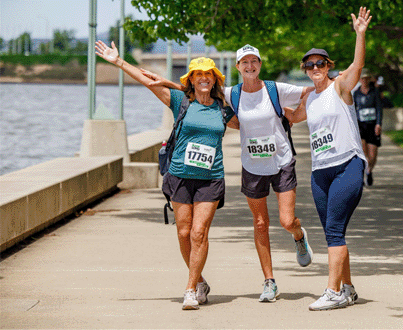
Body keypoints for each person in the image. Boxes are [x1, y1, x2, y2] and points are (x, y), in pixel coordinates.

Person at [143, 44, 314, 303]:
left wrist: (300, 114)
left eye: (253, 61)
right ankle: (270, 282)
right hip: (252, 164)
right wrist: (166, 81)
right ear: (237, 67)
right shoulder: (231, 94)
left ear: (259, 63)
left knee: (287, 220)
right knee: (260, 224)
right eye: (244, 62)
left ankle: (299, 236)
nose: (249, 66)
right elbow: (199, 91)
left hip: (281, 160)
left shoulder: (275, 89)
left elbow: (312, 91)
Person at [95, 40, 238, 310]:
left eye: (209, 74)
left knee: (199, 233)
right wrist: (119, 62)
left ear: (215, 80)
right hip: (179, 175)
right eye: (199, 74)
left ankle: (190, 289)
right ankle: (201, 281)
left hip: (210, 178)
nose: (204, 78)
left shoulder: (223, 109)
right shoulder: (179, 101)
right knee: (184, 232)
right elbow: (150, 83)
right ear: (192, 80)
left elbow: (253, 121)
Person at [285, 7, 372, 311]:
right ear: (305, 69)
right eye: (309, 65)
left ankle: (333, 291)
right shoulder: (310, 98)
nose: (315, 68)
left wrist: (360, 34)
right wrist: (255, 101)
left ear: (328, 65)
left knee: (334, 231)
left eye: (320, 63)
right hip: (320, 173)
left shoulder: (340, 86)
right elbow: (291, 116)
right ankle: (347, 289)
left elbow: (357, 66)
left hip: (347, 165)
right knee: (333, 233)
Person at [353, 71, 382, 186]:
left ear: (369, 79)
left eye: (366, 79)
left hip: (373, 125)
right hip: (361, 126)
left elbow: (379, 109)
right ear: (359, 80)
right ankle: (364, 171)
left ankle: (369, 170)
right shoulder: (356, 93)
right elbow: (353, 110)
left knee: (373, 155)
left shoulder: (375, 92)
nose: (364, 81)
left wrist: (378, 124)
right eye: (362, 79)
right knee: (363, 153)